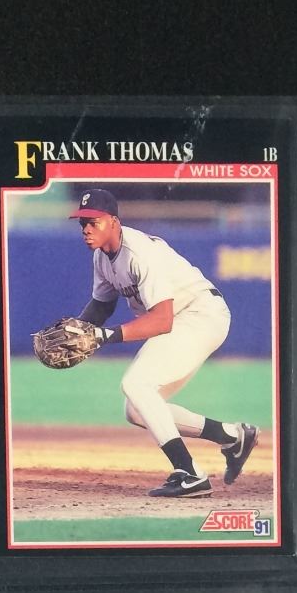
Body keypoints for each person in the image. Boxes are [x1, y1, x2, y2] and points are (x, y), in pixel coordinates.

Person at [59, 186, 258, 497]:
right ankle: (233, 436)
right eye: (82, 222)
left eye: (93, 222)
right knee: (136, 409)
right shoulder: (101, 257)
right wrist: (79, 333)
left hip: (200, 315)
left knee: (136, 384)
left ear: (113, 221)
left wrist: (103, 336)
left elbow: (162, 320)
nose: (86, 229)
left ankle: (190, 473)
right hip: (182, 320)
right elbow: (102, 305)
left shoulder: (139, 253)